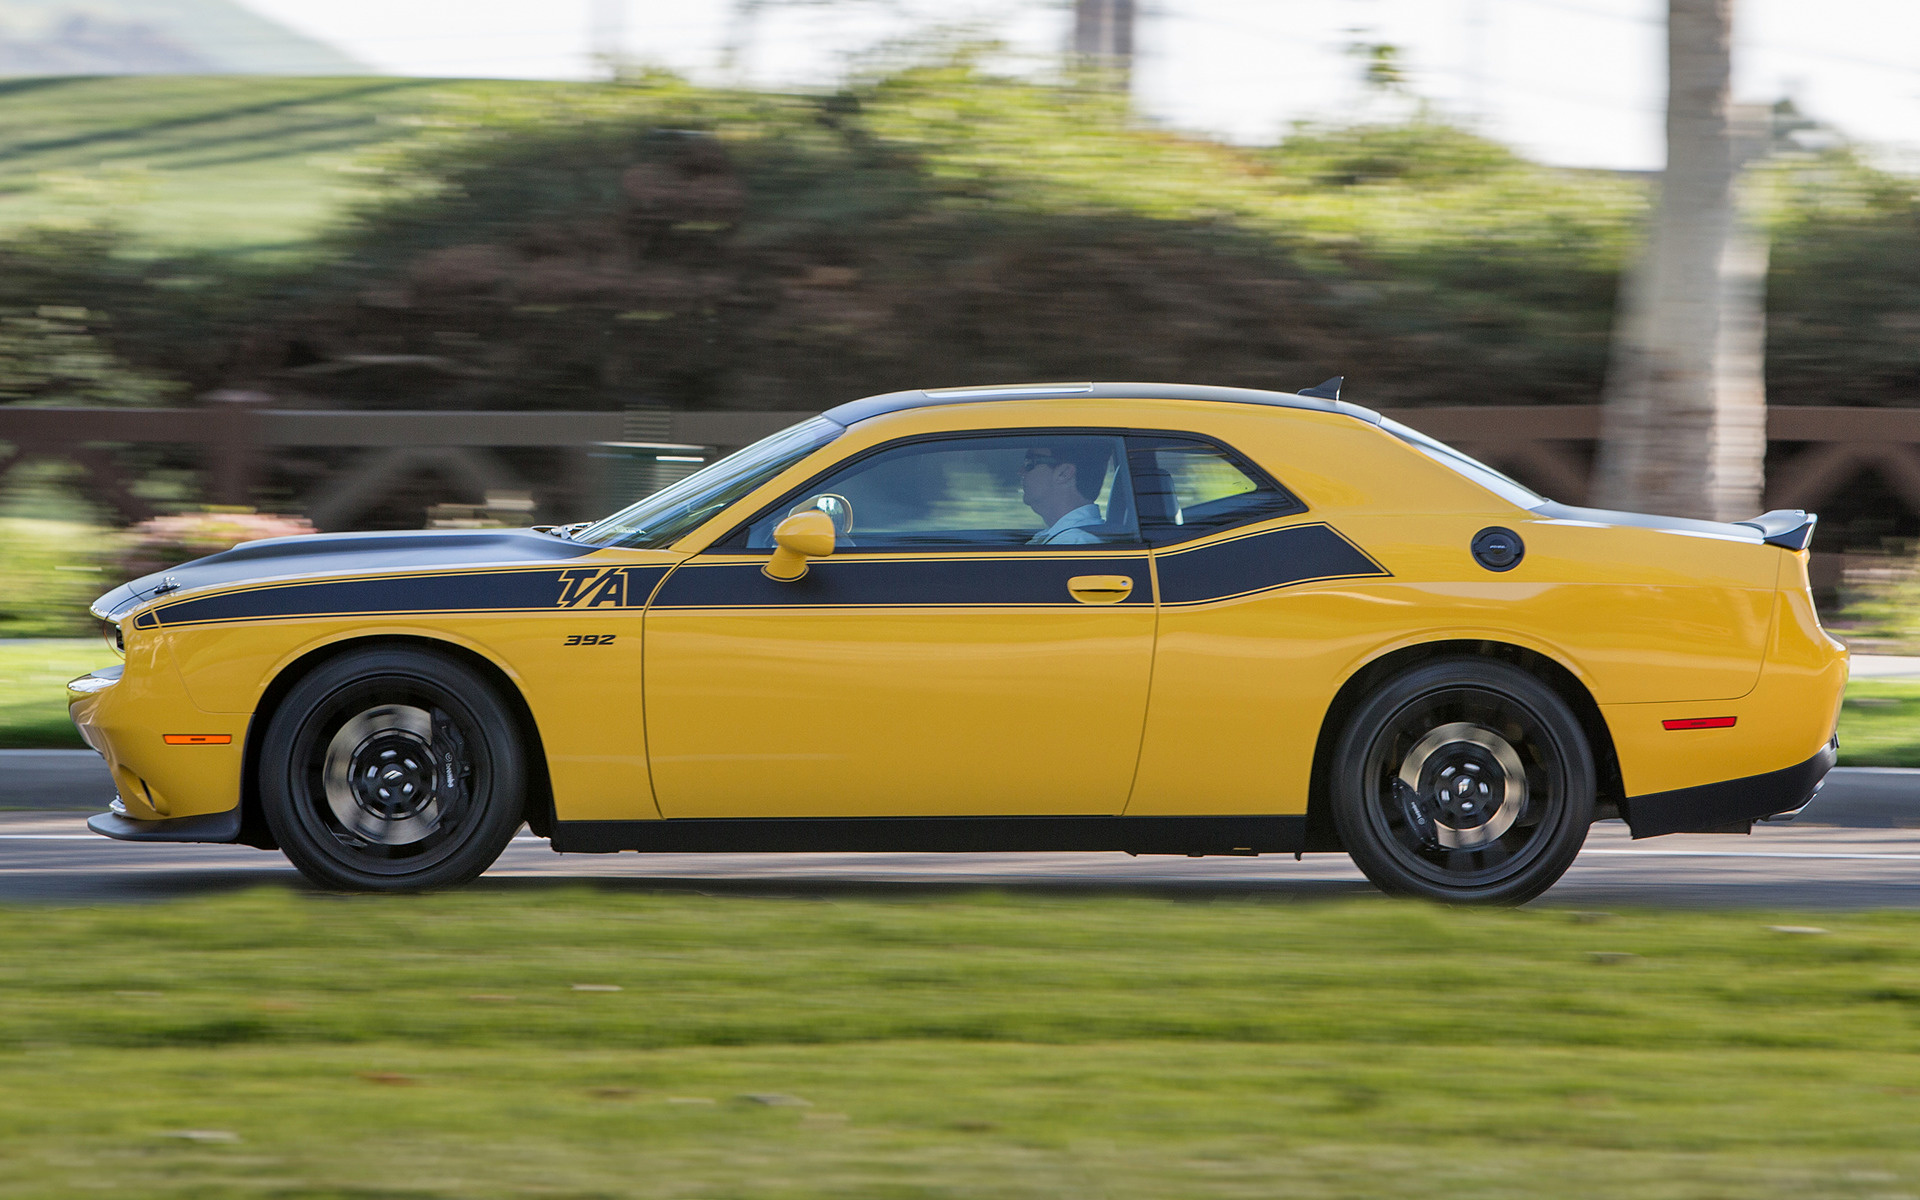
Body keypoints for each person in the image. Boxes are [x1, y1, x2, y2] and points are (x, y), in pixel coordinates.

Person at [1021, 440, 1111, 544]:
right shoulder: (1065, 538)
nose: (1020, 471)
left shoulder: (1074, 542)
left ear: (1064, 473)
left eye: (1029, 463)